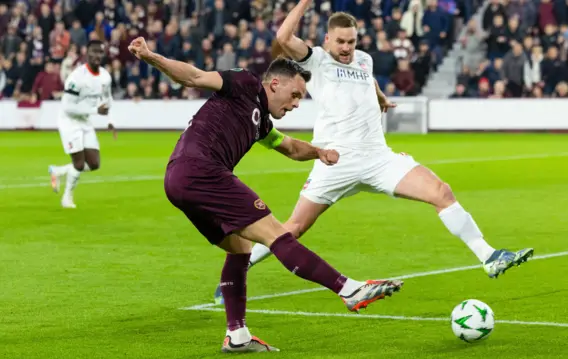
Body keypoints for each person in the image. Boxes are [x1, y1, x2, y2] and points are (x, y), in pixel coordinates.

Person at [215, 1, 534, 305]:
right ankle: (242, 267)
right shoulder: (317, 61)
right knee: (293, 229)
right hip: (335, 161)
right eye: (340, 41)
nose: (346, 48)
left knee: (441, 191)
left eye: (351, 41)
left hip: (378, 158)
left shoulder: (364, 59)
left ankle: (488, 256)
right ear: (328, 39)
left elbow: (367, 82)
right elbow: (283, 38)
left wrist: (380, 99)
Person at [127, 37, 403, 353]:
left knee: (240, 247)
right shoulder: (243, 82)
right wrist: (150, 55)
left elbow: (287, 146)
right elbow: (194, 76)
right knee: (276, 233)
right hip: (200, 168)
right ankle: (348, 289)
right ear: (273, 84)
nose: (297, 103)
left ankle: (237, 336)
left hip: (178, 179)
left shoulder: (261, 122)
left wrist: (319, 152)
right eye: (295, 94)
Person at [48, 40, 116, 209]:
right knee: (79, 164)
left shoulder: (105, 77)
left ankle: (59, 171)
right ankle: (67, 198)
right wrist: (95, 111)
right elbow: (67, 107)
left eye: (100, 52)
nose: (97, 55)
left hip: (84, 120)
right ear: (87, 53)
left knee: (94, 164)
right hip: (69, 121)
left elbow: (108, 100)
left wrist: (110, 120)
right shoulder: (76, 77)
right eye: (93, 52)